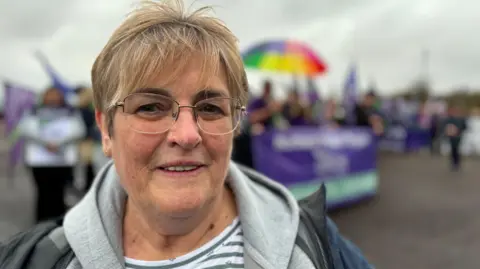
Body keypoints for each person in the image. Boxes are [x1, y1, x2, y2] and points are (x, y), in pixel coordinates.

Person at [0, 1, 373, 269]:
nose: (186, 134)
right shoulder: (34, 259)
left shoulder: (317, 243)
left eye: (211, 108)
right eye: (150, 107)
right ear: (105, 129)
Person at [17, 86, 86, 223]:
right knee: (43, 192)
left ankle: (58, 223)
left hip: (62, 161)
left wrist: (60, 143)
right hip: (39, 162)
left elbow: (80, 130)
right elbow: (24, 129)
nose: (53, 98)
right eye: (50, 95)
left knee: (59, 192)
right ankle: (41, 223)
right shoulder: (33, 111)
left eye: (56, 95)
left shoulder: (71, 112)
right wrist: (44, 142)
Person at [443, 105, 467, 171]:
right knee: (453, 149)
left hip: (458, 137)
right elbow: (445, 127)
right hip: (451, 137)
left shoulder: (461, 119)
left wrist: (458, 130)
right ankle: (453, 162)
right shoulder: (449, 119)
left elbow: (465, 127)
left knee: (456, 149)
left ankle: (457, 163)